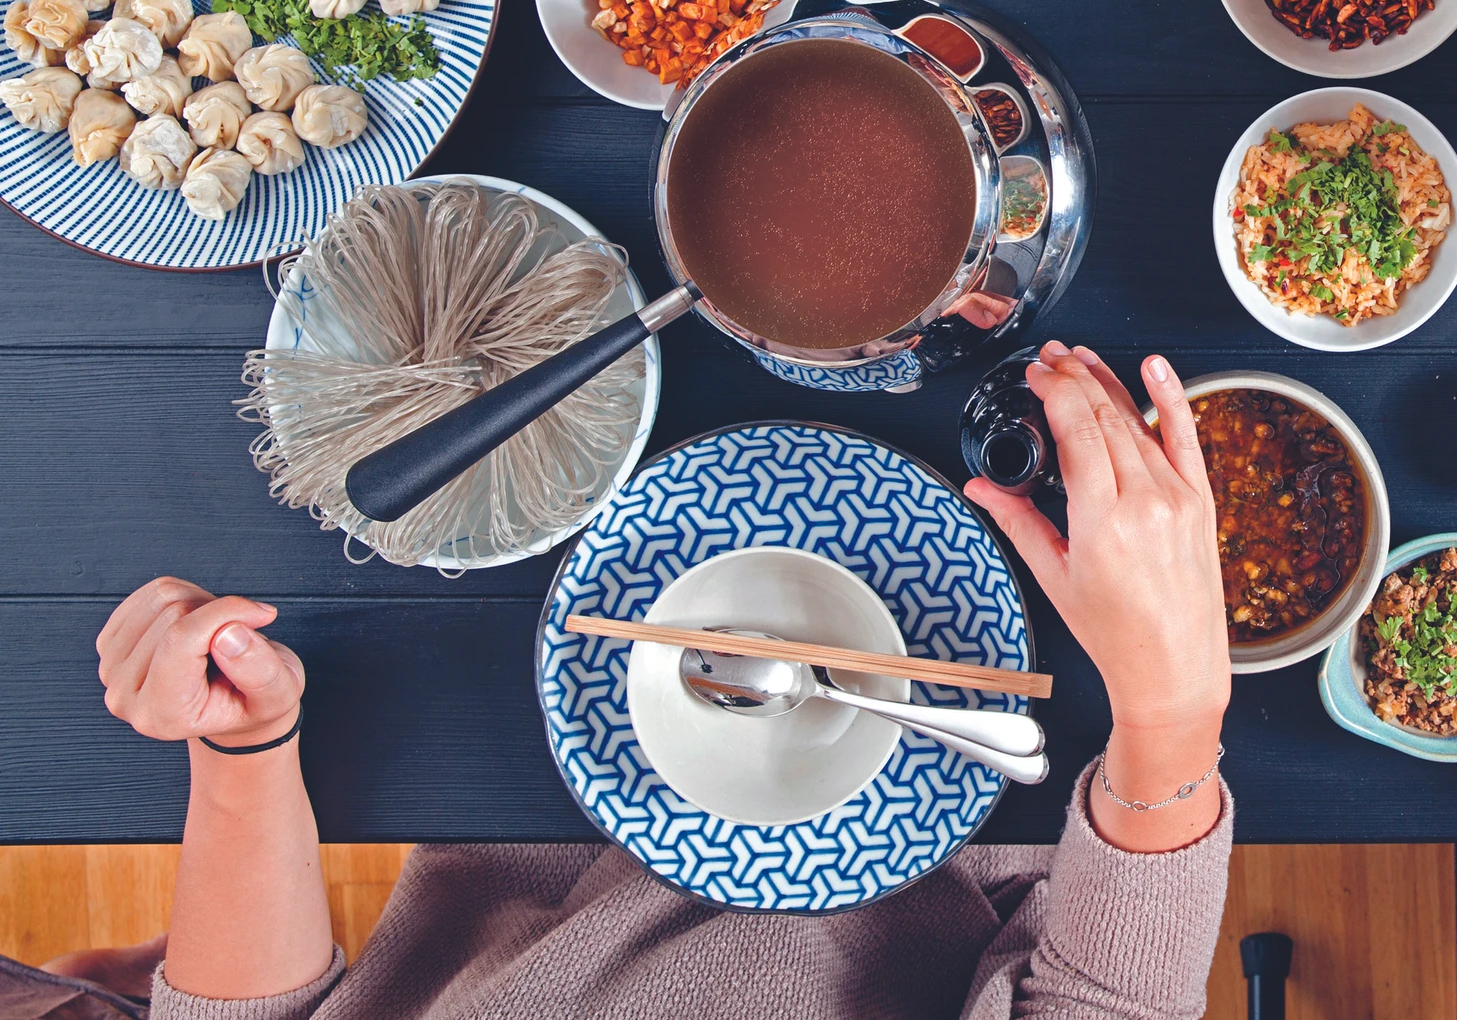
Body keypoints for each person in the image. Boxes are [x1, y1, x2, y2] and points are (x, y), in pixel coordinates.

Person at [14, 343, 1234, 1020]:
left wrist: (241, 749)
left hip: (522, 784)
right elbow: (1105, 1000)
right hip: (949, 815)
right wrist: (1174, 710)